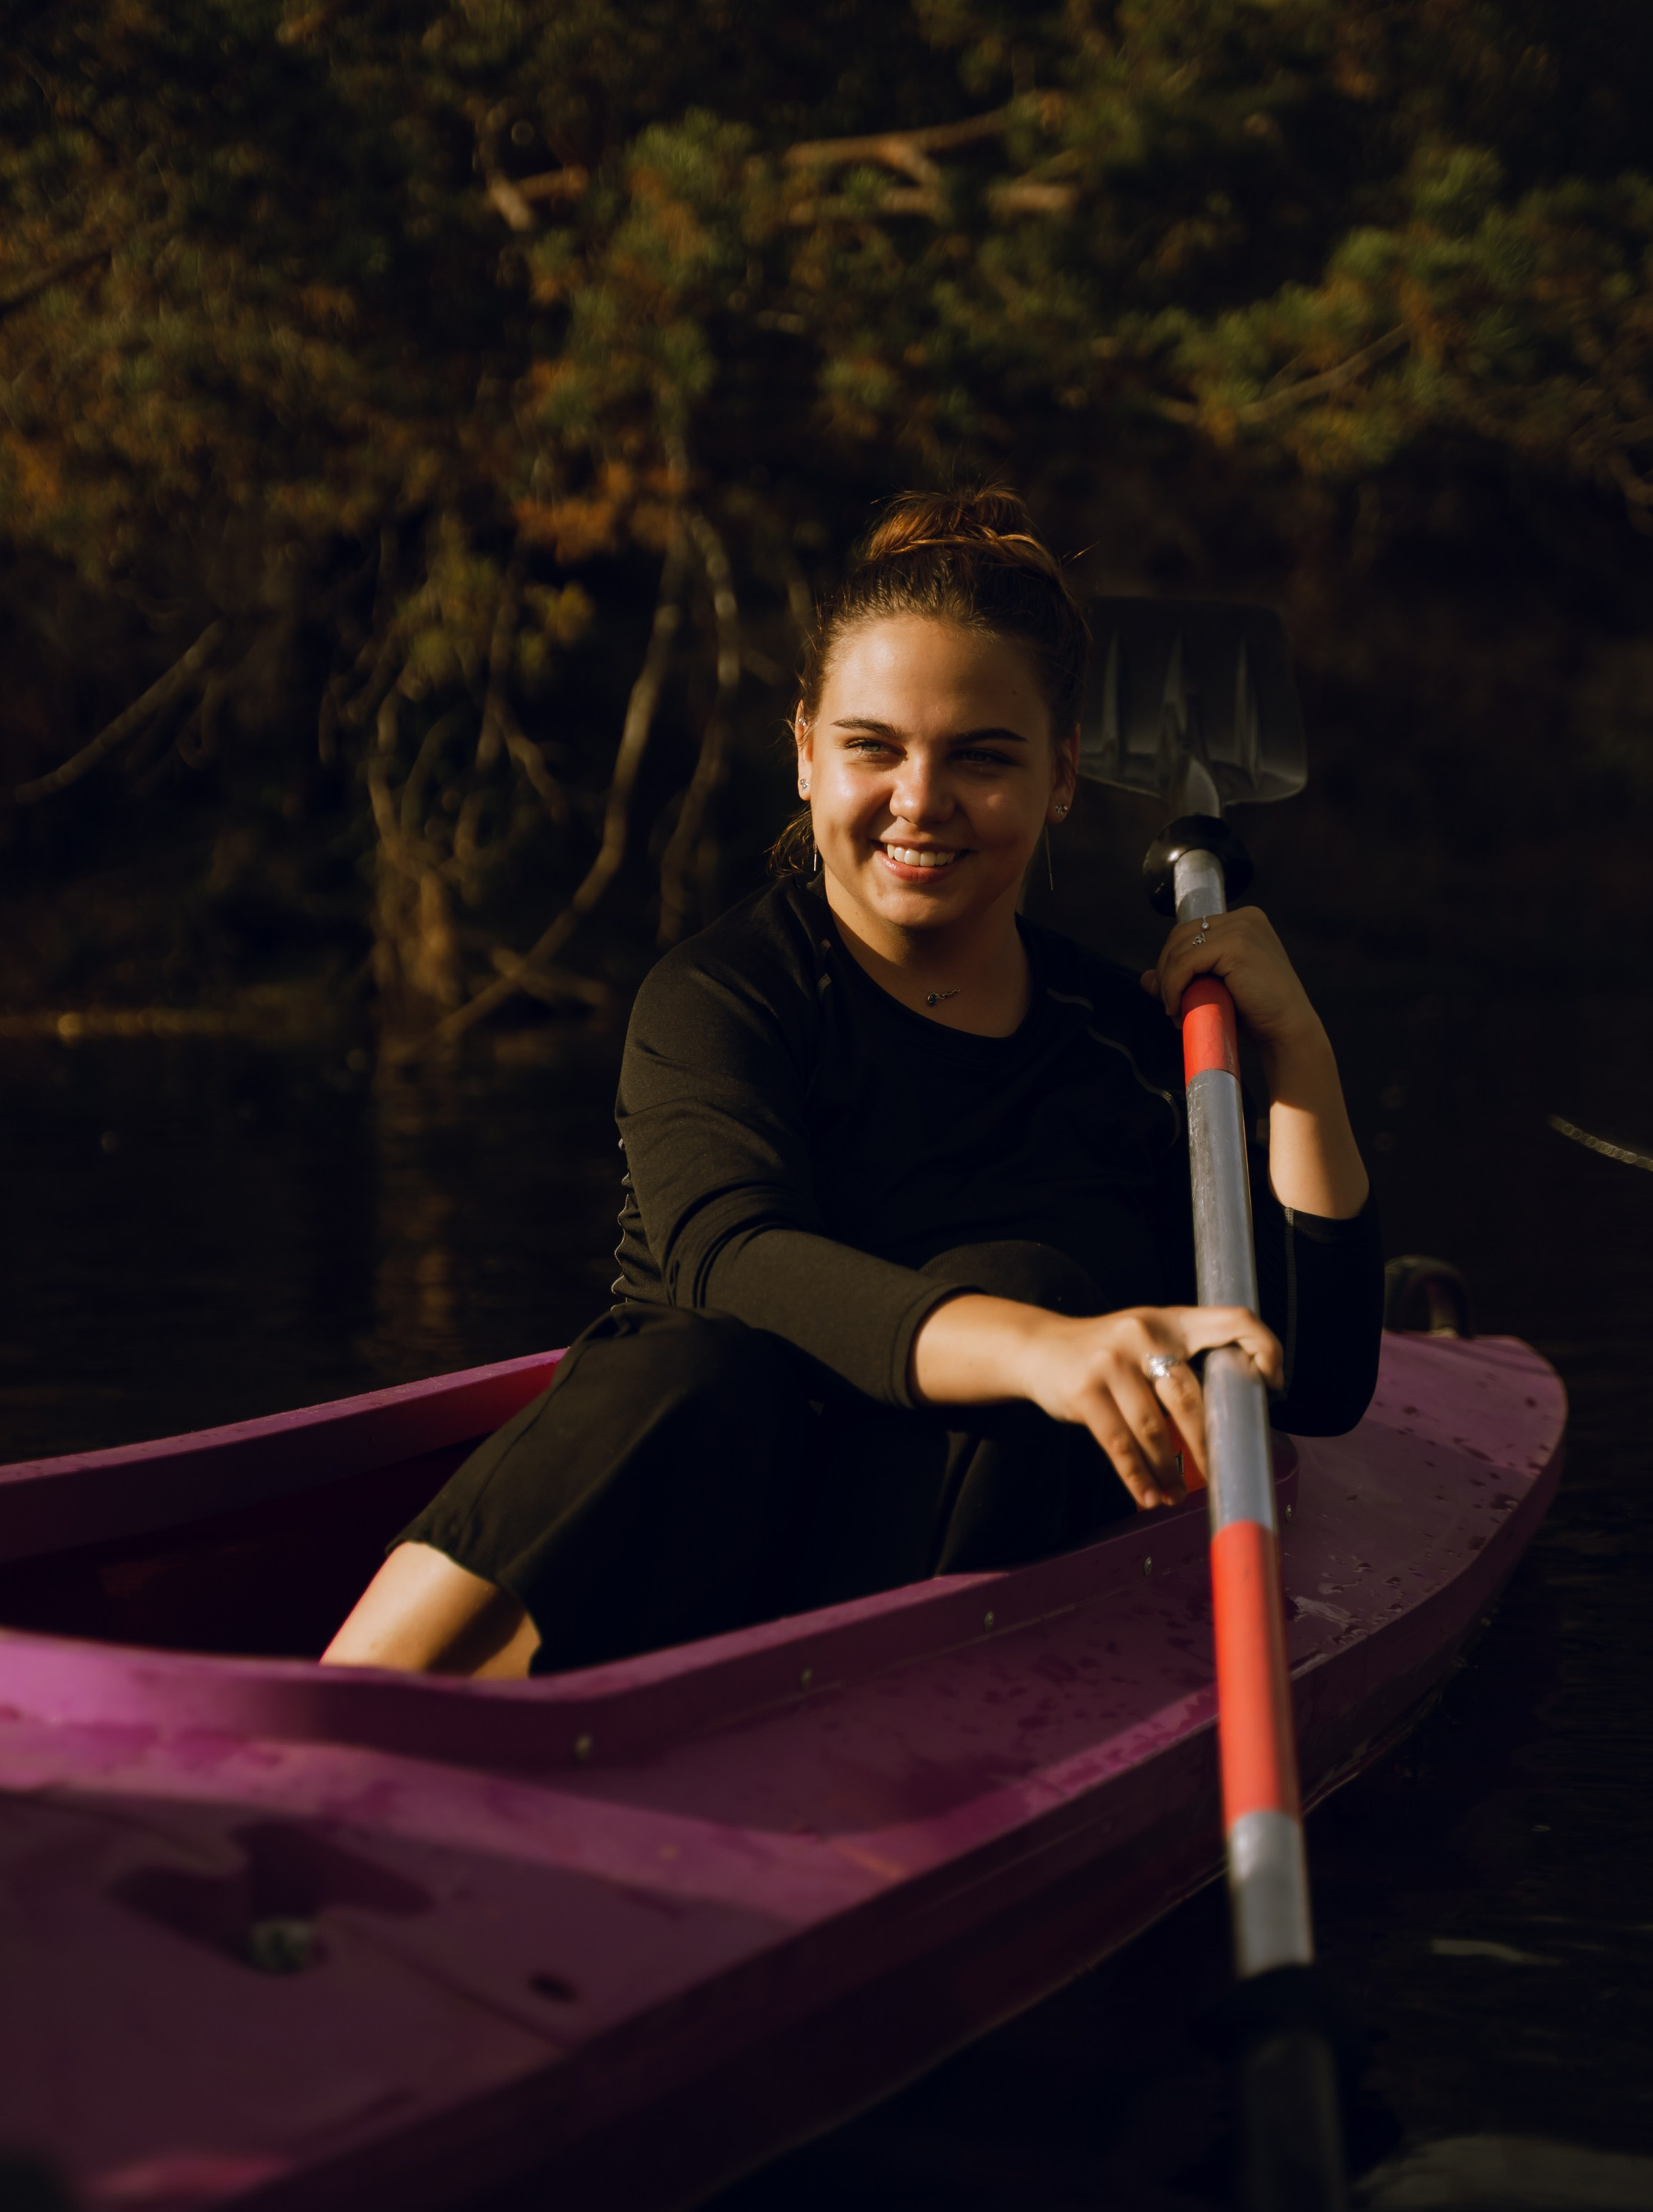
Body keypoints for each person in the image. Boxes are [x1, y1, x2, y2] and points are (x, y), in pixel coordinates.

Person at [324, 487, 1379, 1679]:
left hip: (917, 1622)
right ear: (805, 756)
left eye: (982, 758)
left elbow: (1323, 1382)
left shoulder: (1125, 1049)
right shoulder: (724, 997)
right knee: (694, 1360)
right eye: (873, 747)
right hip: (678, 1558)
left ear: (1064, 776)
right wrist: (1036, 1346)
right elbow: (734, 1257)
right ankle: (333, 1710)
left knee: (1025, 1277)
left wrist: (1300, 1058)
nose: (919, 802)